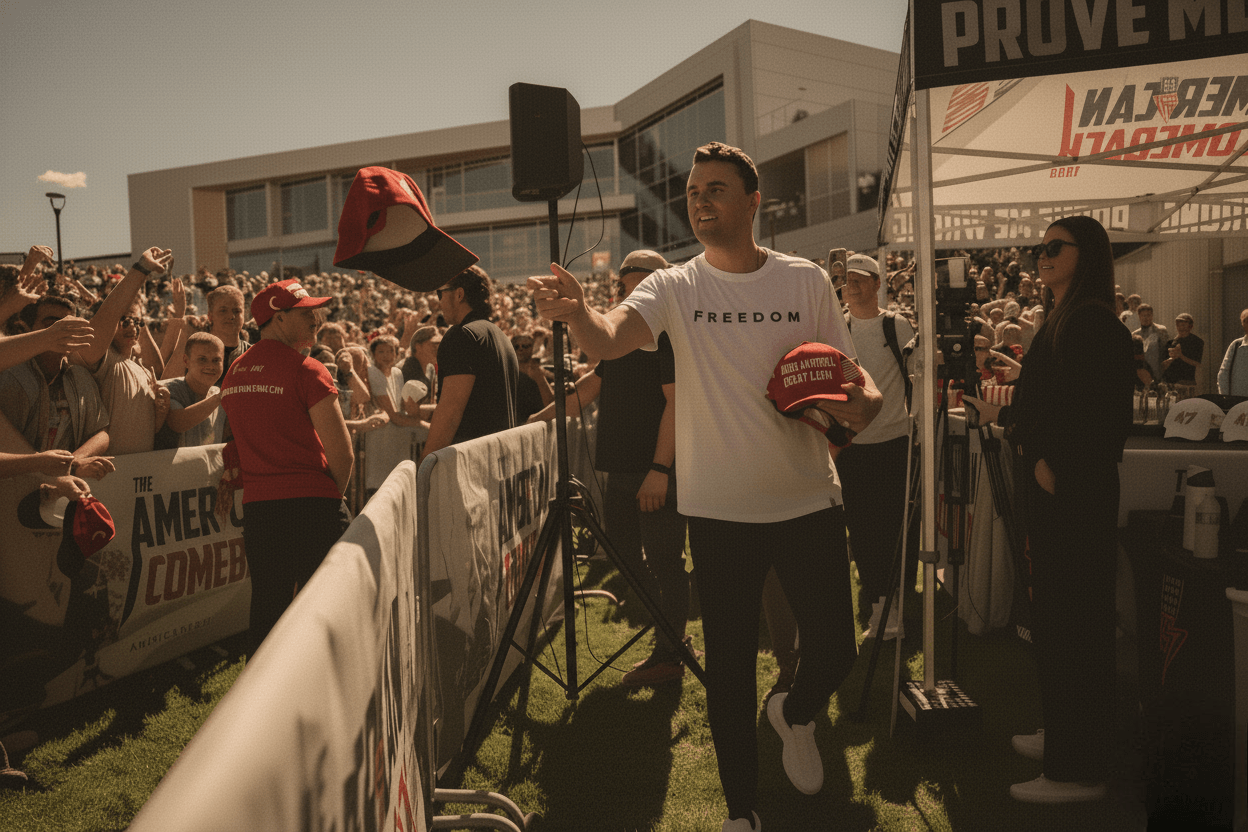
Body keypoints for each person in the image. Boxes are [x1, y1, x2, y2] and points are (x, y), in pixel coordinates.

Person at [530, 141, 882, 832]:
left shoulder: (804, 279)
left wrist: (865, 402)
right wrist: (576, 315)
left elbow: (846, 370)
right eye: (694, 191)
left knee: (836, 648)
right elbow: (606, 339)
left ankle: (795, 711)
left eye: (715, 189)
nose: (699, 200)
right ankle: (741, 813)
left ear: (754, 202)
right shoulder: (673, 286)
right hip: (718, 511)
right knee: (726, 672)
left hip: (808, 495)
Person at [966, 215, 1133, 804]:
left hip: (1074, 497)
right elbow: (1052, 400)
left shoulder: (1091, 322)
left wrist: (1048, 460)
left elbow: (1101, 417)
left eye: (1054, 247)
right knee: (1059, 625)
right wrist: (1009, 414)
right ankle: (1066, 735)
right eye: (1039, 247)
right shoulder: (1067, 319)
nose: (1041, 255)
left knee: (1076, 626)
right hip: (1060, 491)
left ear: (1085, 256)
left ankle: (1077, 769)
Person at [529, 249, 693, 687]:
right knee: (621, 553)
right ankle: (674, 635)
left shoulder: (670, 336)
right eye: (626, 285)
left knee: (664, 562)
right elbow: (590, 387)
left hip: (656, 472)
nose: (632, 293)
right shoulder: (619, 334)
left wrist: (660, 468)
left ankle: (672, 651)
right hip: (620, 471)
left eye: (642, 284)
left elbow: (678, 404)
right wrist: (538, 420)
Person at [219, 279, 354, 657]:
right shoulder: (307, 369)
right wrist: (331, 503)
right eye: (306, 312)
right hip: (314, 507)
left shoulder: (235, 372)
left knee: (268, 612)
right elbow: (343, 456)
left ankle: (259, 708)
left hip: (261, 510)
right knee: (326, 614)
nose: (317, 318)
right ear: (278, 319)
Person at [841, 253, 915, 641]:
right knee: (862, 530)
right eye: (847, 278)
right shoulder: (838, 325)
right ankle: (878, 602)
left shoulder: (896, 326)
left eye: (859, 278)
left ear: (876, 284)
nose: (851, 284)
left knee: (891, 528)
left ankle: (892, 603)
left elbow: (915, 379)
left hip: (893, 442)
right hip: (851, 446)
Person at [0, 291, 114, 481]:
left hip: (62, 490)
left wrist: (71, 463)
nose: (62, 330)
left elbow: (101, 433)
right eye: (52, 323)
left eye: (69, 324)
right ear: (29, 329)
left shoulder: (81, 377)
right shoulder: (8, 376)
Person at [73, 247, 174, 455]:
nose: (132, 327)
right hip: (105, 477)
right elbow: (107, 318)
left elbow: (149, 430)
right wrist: (141, 270)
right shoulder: (104, 361)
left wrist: (161, 411)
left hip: (139, 477)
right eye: (124, 320)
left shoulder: (145, 371)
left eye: (137, 322)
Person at [418, 265, 519, 464]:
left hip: (473, 466)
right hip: (502, 462)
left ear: (459, 294)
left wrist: (424, 465)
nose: (439, 302)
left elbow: (451, 411)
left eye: (441, 293)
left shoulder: (461, 335)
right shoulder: (501, 337)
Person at [154, 332, 225, 449]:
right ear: (186, 361)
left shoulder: (217, 392)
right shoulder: (169, 389)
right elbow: (178, 423)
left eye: (216, 360)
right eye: (202, 359)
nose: (210, 366)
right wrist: (221, 397)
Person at [1160, 312, 1203, 388]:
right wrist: (1170, 360)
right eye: (1178, 325)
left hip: (1186, 383)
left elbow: (1197, 363)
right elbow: (1162, 366)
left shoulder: (1196, 342)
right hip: (1169, 383)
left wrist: (1181, 356)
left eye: (1183, 325)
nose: (1181, 328)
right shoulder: (1170, 343)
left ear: (1191, 326)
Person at [1216, 308, 1248, 396]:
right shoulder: (1236, 345)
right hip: (1238, 402)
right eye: (1247, 321)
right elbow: (1223, 374)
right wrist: (1225, 398)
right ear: (1242, 323)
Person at [1132, 303, 1168, 382]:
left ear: (1152, 315)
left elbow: (1165, 353)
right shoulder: (1135, 334)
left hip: (1158, 373)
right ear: (1139, 316)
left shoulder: (1161, 331)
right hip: (1141, 375)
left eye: (1148, 315)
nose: (1146, 318)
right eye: (1143, 315)